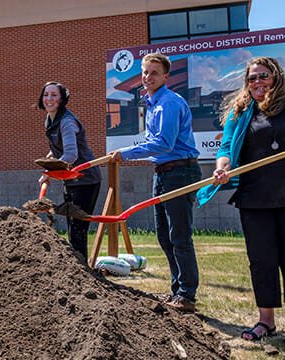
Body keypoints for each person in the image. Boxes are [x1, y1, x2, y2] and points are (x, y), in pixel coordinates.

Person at [199, 56, 285, 346]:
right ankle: (266, 321)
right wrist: (222, 166)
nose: (257, 82)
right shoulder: (241, 111)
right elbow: (226, 146)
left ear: (276, 77)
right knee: (261, 261)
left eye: (263, 76)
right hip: (255, 199)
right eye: (251, 78)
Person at [109, 53, 201, 313]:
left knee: (179, 235)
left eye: (154, 73)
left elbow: (164, 143)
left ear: (166, 77)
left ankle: (187, 294)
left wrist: (125, 153)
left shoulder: (169, 103)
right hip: (162, 172)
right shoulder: (151, 102)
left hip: (180, 172)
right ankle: (177, 290)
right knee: (164, 235)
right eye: (145, 72)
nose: (148, 77)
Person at [36, 81, 101, 260]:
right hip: (71, 179)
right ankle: (77, 270)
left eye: (54, 95)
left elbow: (71, 154)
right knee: (72, 227)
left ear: (62, 99)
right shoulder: (50, 120)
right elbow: (57, 150)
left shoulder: (67, 122)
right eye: (46, 94)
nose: (49, 99)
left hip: (86, 179)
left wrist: (51, 172)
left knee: (78, 230)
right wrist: (48, 166)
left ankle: (83, 272)